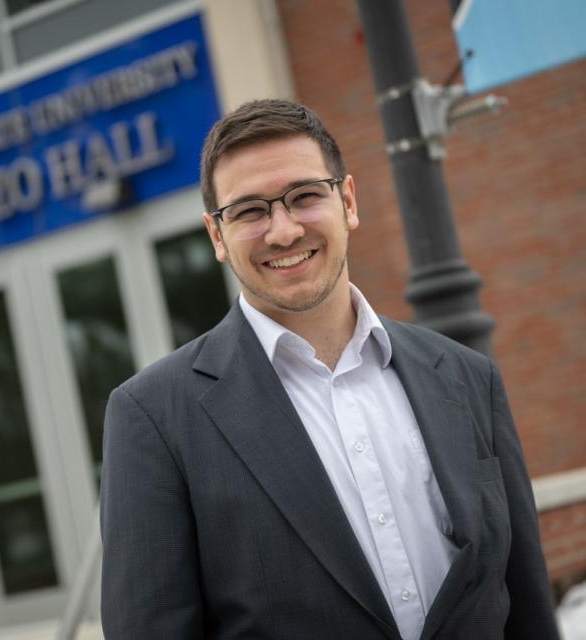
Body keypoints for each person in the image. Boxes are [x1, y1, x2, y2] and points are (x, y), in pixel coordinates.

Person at [100, 99, 559, 639]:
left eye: (304, 197)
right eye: (249, 211)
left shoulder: (466, 376)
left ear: (347, 201)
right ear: (217, 236)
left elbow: (526, 602)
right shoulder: (153, 416)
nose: (283, 231)